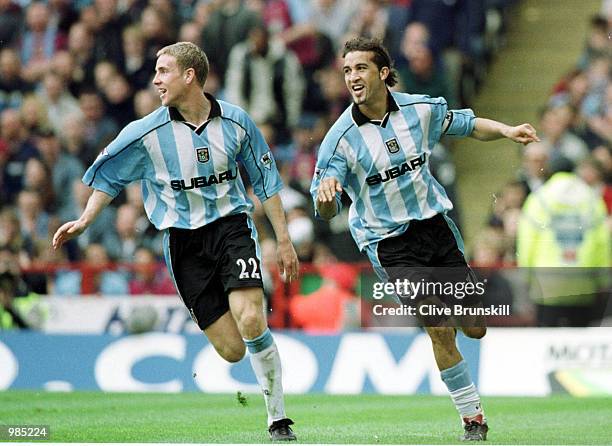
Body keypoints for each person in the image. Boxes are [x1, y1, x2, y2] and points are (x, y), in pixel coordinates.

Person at [52, 41, 299, 442]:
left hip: (231, 228)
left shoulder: (236, 123)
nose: (155, 79)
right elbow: (110, 178)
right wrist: (84, 220)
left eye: (163, 71)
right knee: (233, 351)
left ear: (189, 76)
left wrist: (283, 241)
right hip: (183, 245)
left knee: (252, 318)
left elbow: (267, 183)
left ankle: (278, 419)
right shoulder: (146, 132)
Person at [311, 37, 540, 441]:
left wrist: (506, 130)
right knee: (436, 323)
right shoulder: (339, 139)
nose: (352, 77)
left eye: (360, 68)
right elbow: (324, 206)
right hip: (388, 242)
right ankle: (473, 420)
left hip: (434, 227)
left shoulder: (421, 110)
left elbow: (468, 125)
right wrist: (328, 198)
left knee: (474, 327)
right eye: (347, 71)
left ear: (382, 73)